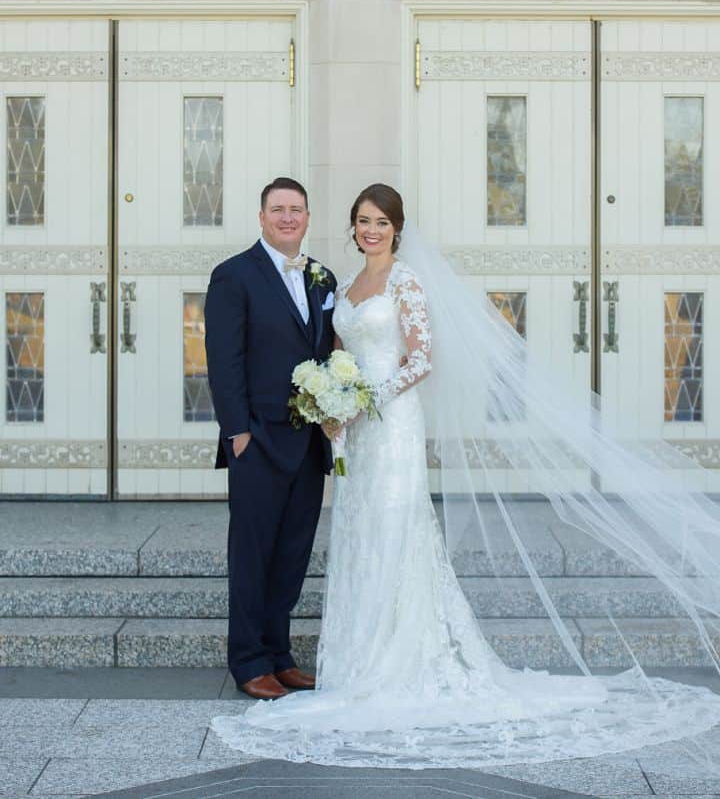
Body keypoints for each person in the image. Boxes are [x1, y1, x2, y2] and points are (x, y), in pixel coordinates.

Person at [212, 183, 720, 768]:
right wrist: (249, 428)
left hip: (380, 426)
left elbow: (420, 357)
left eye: (379, 221)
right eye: (361, 221)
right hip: (302, 435)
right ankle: (256, 661)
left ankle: (294, 657)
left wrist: (358, 402)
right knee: (281, 544)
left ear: (396, 228)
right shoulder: (314, 282)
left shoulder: (359, 279)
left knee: (355, 539)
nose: (369, 229)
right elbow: (237, 356)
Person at [204, 176, 337, 700]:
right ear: (261, 217)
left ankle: (279, 655)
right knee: (253, 552)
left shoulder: (321, 279)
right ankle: (249, 661)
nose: (287, 218)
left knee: (292, 551)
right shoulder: (233, 276)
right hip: (256, 440)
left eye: (296, 210)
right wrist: (237, 431)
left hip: (306, 442)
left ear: (307, 218)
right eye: (278, 209)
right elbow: (224, 360)